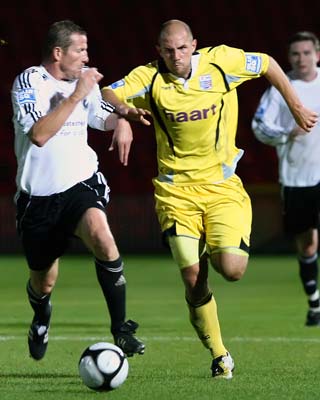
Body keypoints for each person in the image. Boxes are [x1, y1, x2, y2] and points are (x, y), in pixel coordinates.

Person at [102, 19, 318, 379]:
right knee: (192, 277)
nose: (176, 56)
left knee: (231, 271)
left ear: (194, 45)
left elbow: (266, 63)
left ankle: (204, 259)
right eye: (168, 50)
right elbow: (108, 93)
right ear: (159, 52)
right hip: (175, 192)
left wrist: (294, 105)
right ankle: (219, 355)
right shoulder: (150, 77)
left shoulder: (221, 62)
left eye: (183, 48)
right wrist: (123, 114)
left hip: (221, 188)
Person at [11, 20, 151, 361]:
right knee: (43, 282)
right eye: (80, 50)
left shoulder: (83, 83)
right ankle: (42, 314)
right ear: (58, 53)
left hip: (80, 184)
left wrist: (122, 121)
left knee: (102, 237)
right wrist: (76, 94)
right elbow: (39, 135)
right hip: (38, 198)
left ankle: (121, 330)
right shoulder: (30, 82)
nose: (87, 57)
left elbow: (101, 116)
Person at [252, 31, 320, 327]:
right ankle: (314, 302)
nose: (301, 59)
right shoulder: (282, 88)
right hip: (297, 179)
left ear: (317, 54)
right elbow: (259, 126)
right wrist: (286, 133)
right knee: (307, 245)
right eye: (295, 54)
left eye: (306, 53)